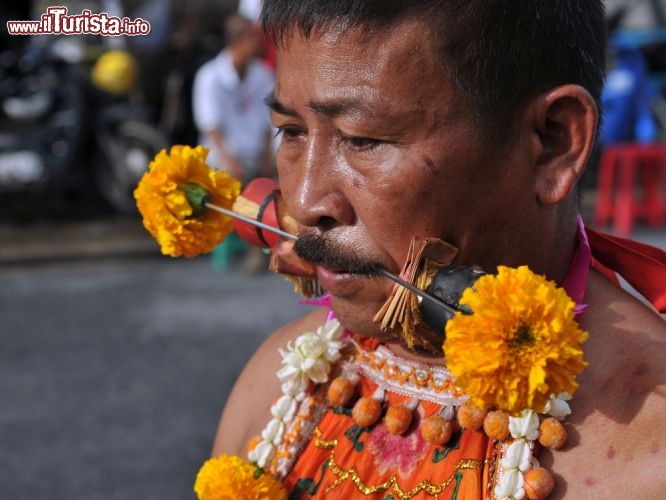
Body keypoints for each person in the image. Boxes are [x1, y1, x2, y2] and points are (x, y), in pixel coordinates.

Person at [211, 1, 666, 498]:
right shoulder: (276, 386)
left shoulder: (647, 454)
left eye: (363, 139)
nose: (304, 201)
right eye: (291, 131)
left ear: (552, 143)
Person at [192, 13, 275, 272]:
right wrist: (231, 161)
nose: (259, 44)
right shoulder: (210, 76)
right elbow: (210, 126)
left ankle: (271, 246)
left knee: (274, 179)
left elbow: (267, 121)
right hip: (222, 154)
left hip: (254, 152)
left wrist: (266, 157)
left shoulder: (262, 73)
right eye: (252, 38)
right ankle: (255, 251)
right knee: (245, 186)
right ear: (236, 42)